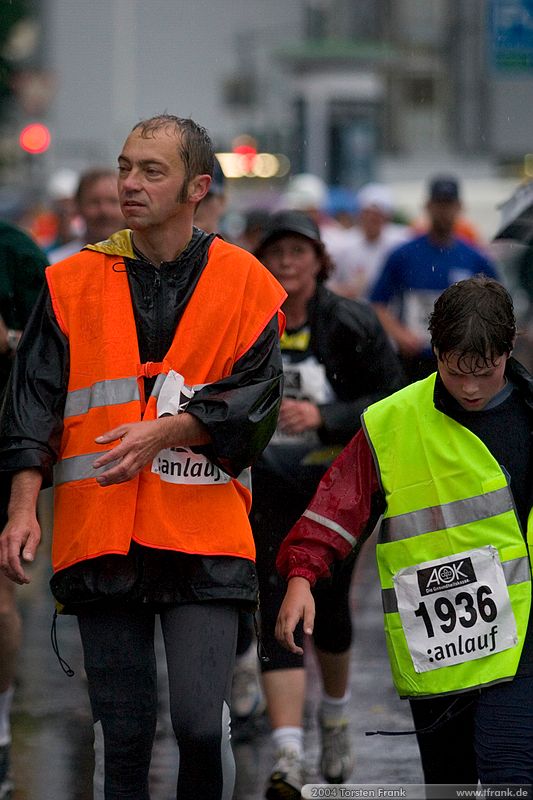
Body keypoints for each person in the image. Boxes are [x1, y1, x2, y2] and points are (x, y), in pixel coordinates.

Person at [0, 114, 287, 800]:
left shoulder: (245, 283)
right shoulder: (69, 282)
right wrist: (20, 509)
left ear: (197, 187)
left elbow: (256, 405)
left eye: (150, 171)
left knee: (196, 726)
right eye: (125, 166)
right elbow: (31, 404)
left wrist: (165, 431)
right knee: (122, 734)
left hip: (203, 536)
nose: (130, 182)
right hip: (100, 532)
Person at [275, 275, 533, 790]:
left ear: (510, 349)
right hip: (440, 647)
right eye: (457, 371)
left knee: (510, 773)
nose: (472, 387)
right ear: (436, 350)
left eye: (486, 371)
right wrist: (302, 576)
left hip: (524, 639)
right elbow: (339, 504)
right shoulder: (393, 422)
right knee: (450, 782)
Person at [252, 210, 404, 798]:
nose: (287, 264)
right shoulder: (249, 322)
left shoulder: (352, 322)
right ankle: (288, 753)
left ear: (320, 260)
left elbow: (392, 401)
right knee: (273, 597)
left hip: (336, 489)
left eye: (298, 253)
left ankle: (334, 719)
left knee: (331, 605)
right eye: (277, 253)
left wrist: (325, 418)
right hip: (267, 486)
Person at [0, 219, 48, 799]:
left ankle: (2, 722)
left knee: (1, 597)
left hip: (3, 435)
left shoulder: (15, 252)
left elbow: (51, 346)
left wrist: (8, 338)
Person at [370, 176, 499, 382]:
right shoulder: (403, 255)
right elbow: (378, 303)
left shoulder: (475, 258)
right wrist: (401, 335)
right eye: (439, 204)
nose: (444, 211)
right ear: (428, 206)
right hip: (414, 358)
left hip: (461, 361)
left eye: (448, 205)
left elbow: (497, 309)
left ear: (459, 207)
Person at [327, 183, 411, 300]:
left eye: (377, 216)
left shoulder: (400, 242)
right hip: (353, 311)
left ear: (386, 217)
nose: (371, 220)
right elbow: (327, 285)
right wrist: (346, 291)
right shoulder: (344, 243)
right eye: (367, 214)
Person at [48, 168, 125, 263]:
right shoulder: (57, 263)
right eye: (95, 202)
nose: (105, 211)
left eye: (113, 201)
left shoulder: (143, 262)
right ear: (78, 206)